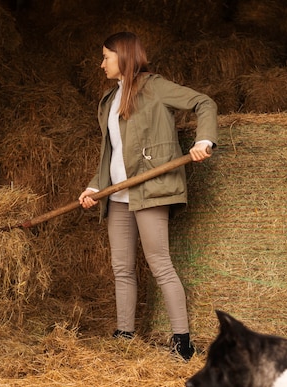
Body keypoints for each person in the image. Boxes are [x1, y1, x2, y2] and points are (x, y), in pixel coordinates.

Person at [79, 32, 217, 361]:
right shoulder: (110, 100)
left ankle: (182, 342)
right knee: (122, 268)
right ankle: (125, 333)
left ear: (124, 57)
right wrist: (95, 186)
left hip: (150, 190)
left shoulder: (154, 88)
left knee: (160, 266)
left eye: (106, 57)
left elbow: (204, 103)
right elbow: (110, 153)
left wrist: (204, 140)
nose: (101, 64)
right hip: (118, 196)